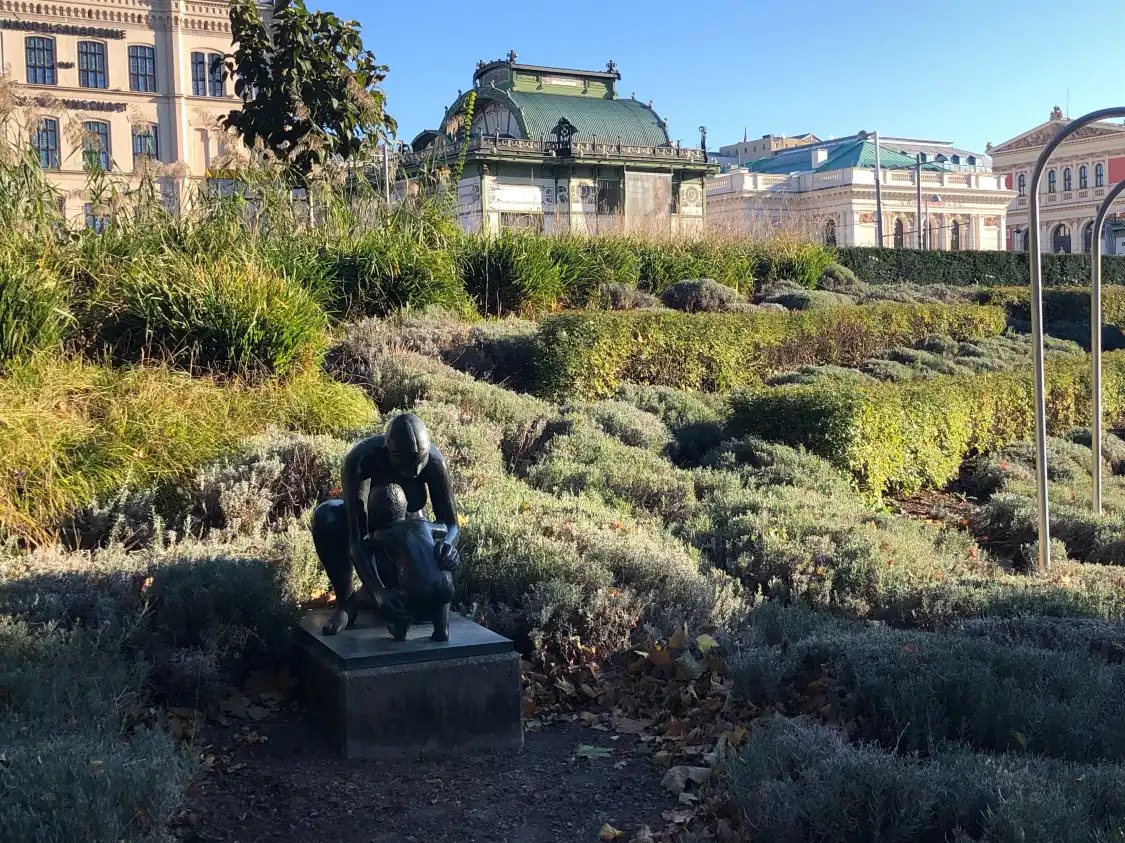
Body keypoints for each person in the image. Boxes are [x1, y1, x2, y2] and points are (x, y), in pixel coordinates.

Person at [311, 413, 460, 637]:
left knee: (424, 589)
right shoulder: (361, 460)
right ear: (389, 451)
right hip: (372, 530)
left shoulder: (434, 461)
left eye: (420, 461)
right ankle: (346, 602)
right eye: (406, 463)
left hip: (412, 529)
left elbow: (450, 524)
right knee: (327, 516)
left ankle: (405, 600)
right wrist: (378, 592)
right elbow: (357, 537)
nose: (415, 472)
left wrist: (448, 545)